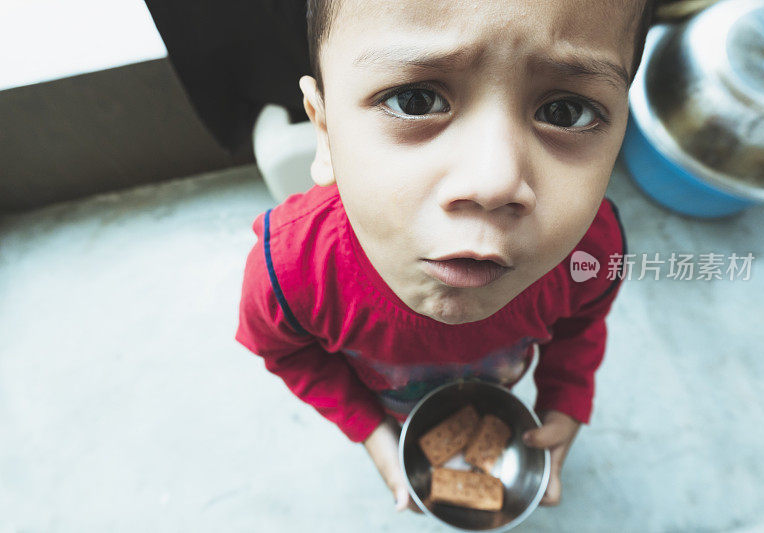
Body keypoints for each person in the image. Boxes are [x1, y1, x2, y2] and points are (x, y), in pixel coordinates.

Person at [236, 0, 652, 511]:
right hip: (386, 403)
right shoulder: (292, 272)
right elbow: (287, 352)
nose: (494, 182)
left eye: (565, 111)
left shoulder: (591, 254)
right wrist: (368, 428)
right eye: (414, 100)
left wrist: (565, 401)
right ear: (324, 129)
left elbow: (581, 327)